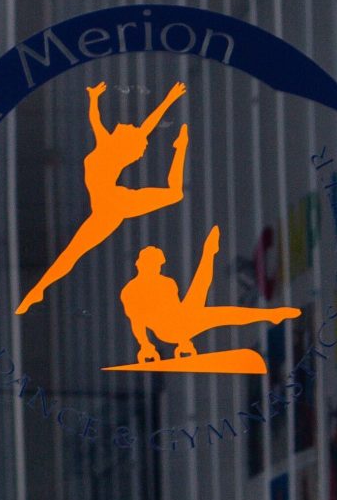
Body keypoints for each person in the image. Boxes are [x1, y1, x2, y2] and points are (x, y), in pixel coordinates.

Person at [17, 81, 189, 314]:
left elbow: (144, 126)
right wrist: (94, 97)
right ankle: (37, 291)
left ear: (124, 141)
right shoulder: (107, 143)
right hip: (108, 207)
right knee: (71, 253)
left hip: (114, 204)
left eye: (125, 127)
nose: (122, 124)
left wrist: (169, 98)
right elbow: (98, 119)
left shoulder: (110, 147)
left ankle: (181, 147)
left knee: (174, 194)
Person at [116, 228, 300, 367]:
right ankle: (209, 254)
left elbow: (176, 307)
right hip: (168, 331)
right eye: (155, 265)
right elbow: (138, 322)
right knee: (215, 306)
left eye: (159, 265)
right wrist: (145, 345)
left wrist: (184, 341)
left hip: (182, 319)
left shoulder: (166, 282)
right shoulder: (132, 291)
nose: (158, 269)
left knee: (219, 308)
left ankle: (209, 254)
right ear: (143, 266)